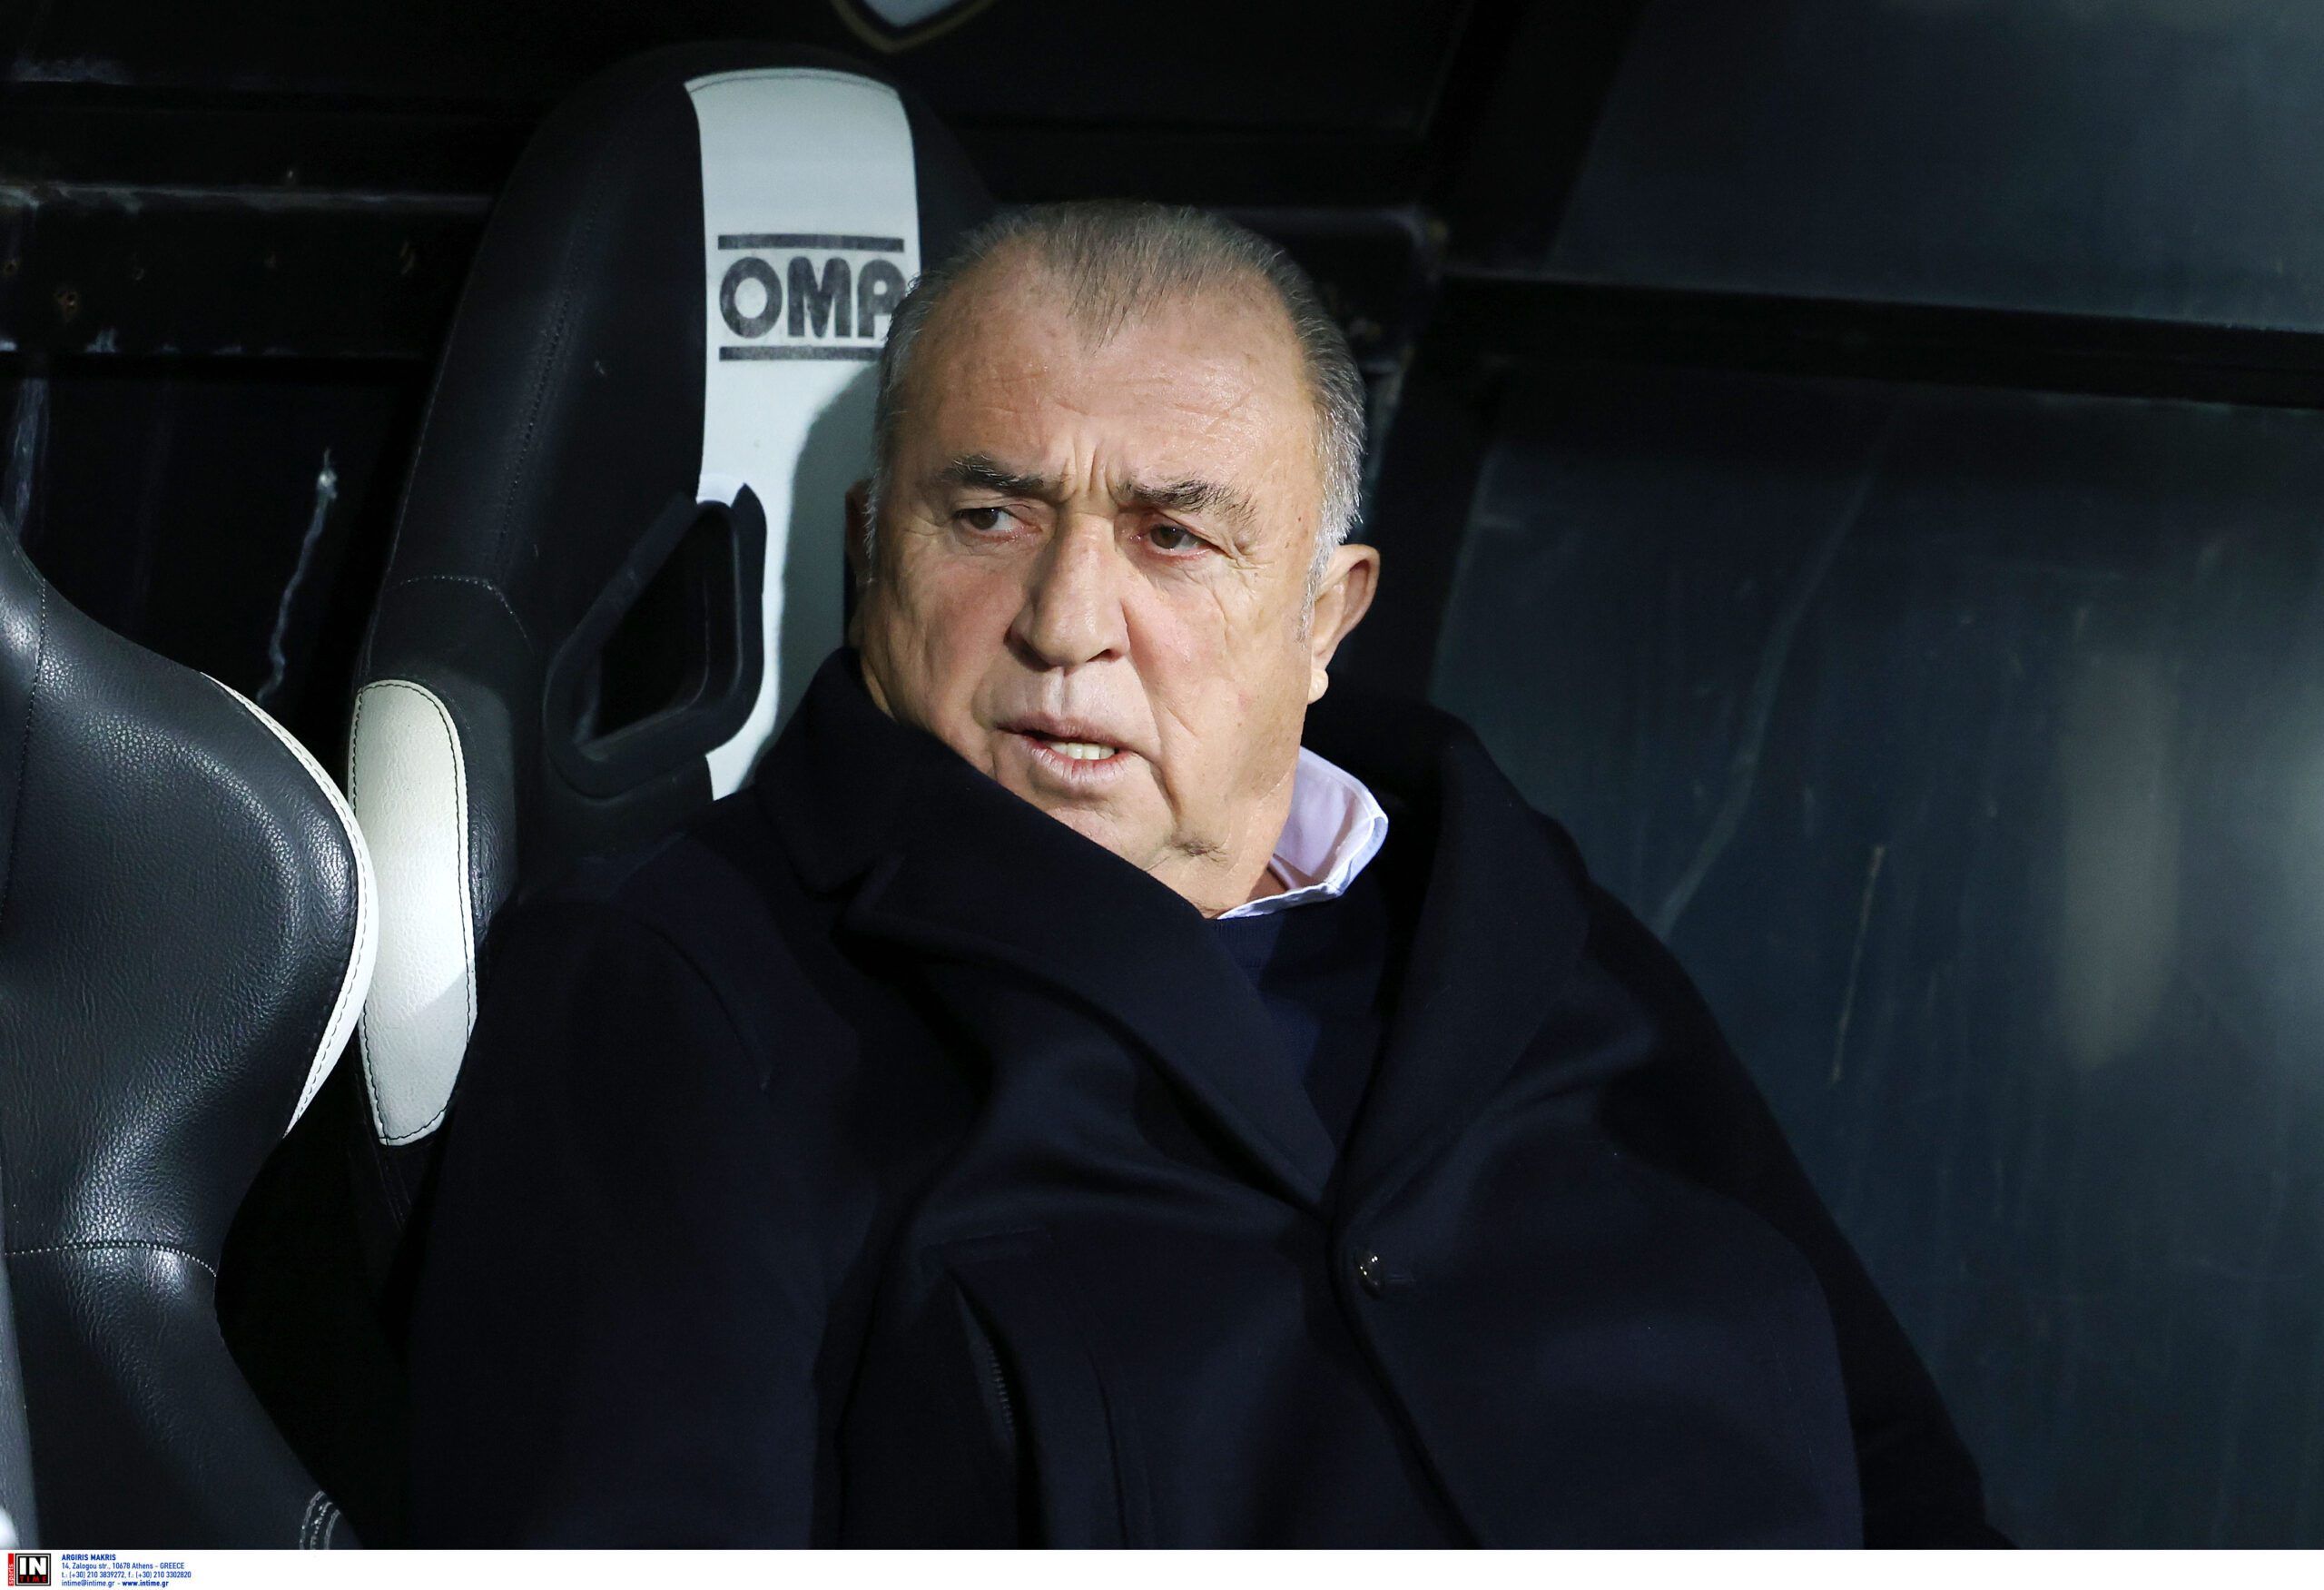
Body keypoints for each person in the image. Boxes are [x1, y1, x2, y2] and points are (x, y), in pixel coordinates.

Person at [405, 200, 2004, 1547]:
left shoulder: (1536, 931)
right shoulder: (684, 992)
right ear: (870, 548)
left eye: (1173, 536)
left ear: (1326, 616)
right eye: (989, 515)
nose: (1066, 622)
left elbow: (1905, 1479)